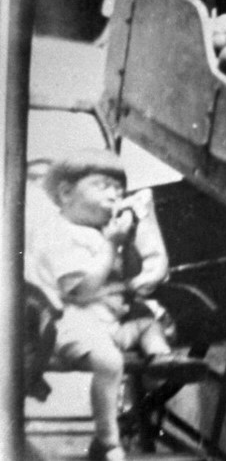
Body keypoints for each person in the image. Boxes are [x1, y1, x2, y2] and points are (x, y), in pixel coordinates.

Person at [24, 149, 185, 461]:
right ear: (66, 193)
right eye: (103, 186)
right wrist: (112, 245)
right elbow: (81, 291)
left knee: (148, 321)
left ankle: (160, 360)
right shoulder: (58, 233)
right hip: (68, 324)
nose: (115, 195)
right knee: (109, 362)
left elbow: (132, 277)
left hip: (109, 321)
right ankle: (107, 440)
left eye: (119, 189)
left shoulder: (103, 232)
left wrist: (133, 235)